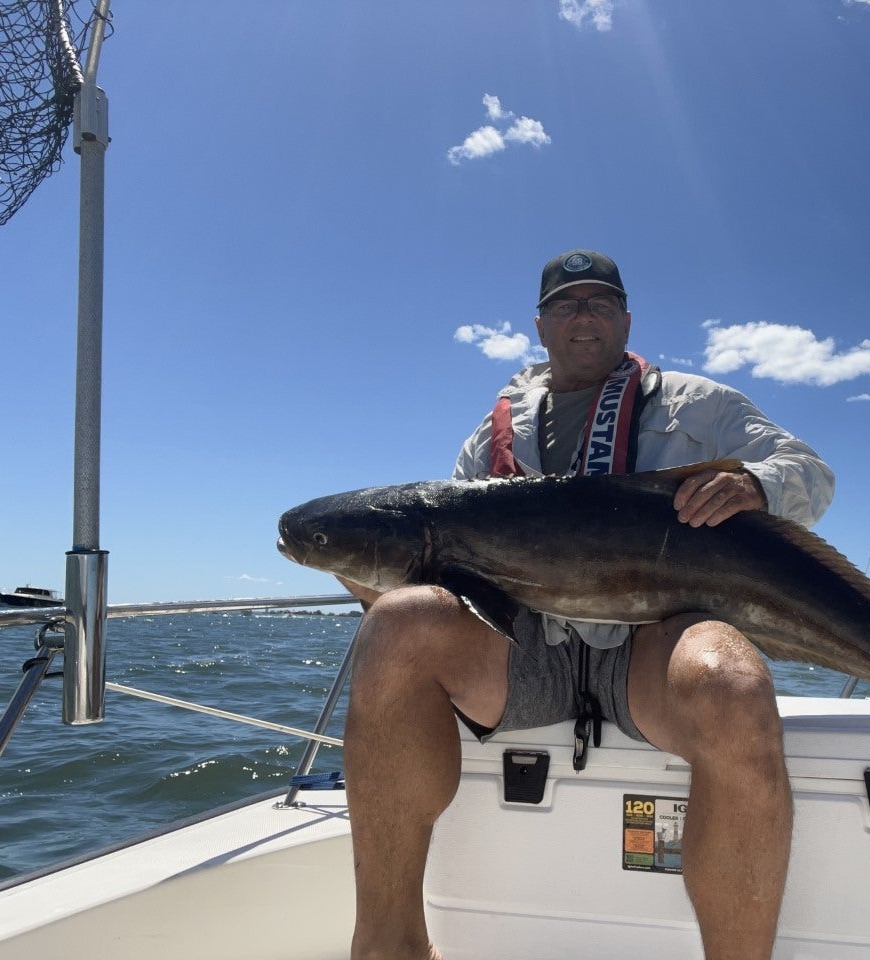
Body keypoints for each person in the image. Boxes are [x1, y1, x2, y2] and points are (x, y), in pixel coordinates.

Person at [340, 250, 835, 960]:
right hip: (524, 649)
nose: (585, 317)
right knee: (396, 623)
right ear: (540, 326)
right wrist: (377, 580)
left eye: (601, 303)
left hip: (649, 647)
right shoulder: (493, 436)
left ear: (627, 320)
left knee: (731, 679)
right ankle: (389, 946)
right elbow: (445, 569)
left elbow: (811, 473)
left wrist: (757, 484)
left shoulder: (700, 404)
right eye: (568, 305)